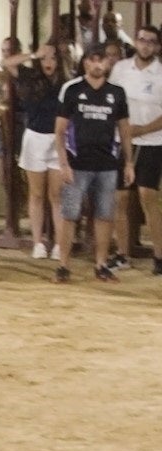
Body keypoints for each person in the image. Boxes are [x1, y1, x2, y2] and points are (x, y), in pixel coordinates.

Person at [52, 45, 135, 283]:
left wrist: (128, 162)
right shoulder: (72, 90)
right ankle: (63, 265)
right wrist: (63, 163)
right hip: (77, 163)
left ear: (108, 64)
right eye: (93, 60)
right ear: (86, 63)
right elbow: (60, 130)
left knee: (104, 216)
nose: (98, 65)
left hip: (107, 163)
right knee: (70, 214)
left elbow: (125, 130)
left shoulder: (117, 93)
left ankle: (101, 264)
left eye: (102, 60)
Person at [108, 24, 160, 275]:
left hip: (152, 142)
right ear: (136, 42)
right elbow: (112, 100)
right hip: (123, 141)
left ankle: (159, 256)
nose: (146, 44)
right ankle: (122, 254)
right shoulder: (120, 69)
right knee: (120, 198)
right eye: (142, 39)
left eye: (151, 41)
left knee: (148, 197)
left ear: (157, 46)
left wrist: (141, 130)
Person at [6, 43, 64, 258]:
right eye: (45, 59)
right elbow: (7, 62)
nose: (48, 63)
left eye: (53, 58)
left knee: (56, 195)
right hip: (35, 137)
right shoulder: (30, 76)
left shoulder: (66, 82)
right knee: (37, 193)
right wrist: (33, 54)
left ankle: (59, 243)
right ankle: (38, 242)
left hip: (58, 138)